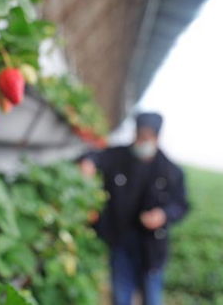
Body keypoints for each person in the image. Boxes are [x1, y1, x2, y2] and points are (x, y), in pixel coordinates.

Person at [77, 112, 189, 305]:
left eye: (148, 137)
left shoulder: (170, 171)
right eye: (140, 136)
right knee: (121, 293)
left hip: (150, 245)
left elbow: (181, 205)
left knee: (151, 296)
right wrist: (88, 162)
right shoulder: (118, 157)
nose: (143, 141)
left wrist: (163, 215)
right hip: (120, 238)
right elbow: (92, 155)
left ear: (157, 138)